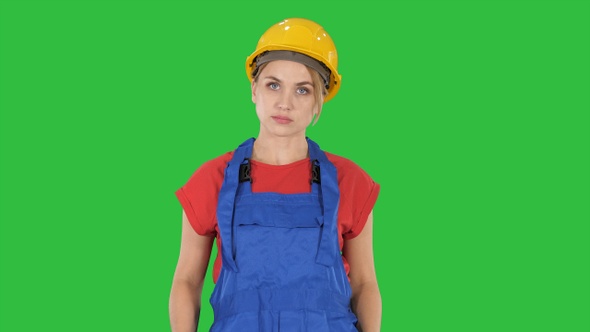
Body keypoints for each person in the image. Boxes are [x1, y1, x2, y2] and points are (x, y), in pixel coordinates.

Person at [169, 18, 381, 332]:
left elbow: (364, 283)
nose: (285, 103)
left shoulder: (349, 180)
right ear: (254, 89)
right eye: (273, 84)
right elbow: (186, 281)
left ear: (318, 103)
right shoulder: (212, 179)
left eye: (303, 90)